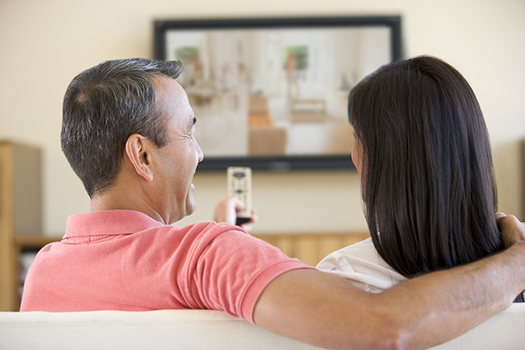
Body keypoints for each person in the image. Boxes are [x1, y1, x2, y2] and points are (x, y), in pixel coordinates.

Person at [20, 58, 525, 350]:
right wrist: (517, 261)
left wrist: (219, 241)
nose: (199, 153)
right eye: (189, 133)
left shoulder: (43, 273)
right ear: (142, 155)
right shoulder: (206, 255)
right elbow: (382, 325)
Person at [317, 56, 524, 302]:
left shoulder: (345, 275)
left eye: (357, 138)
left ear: (388, 161)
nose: (353, 154)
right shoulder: (518, 261)